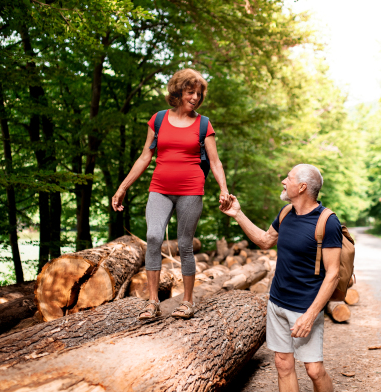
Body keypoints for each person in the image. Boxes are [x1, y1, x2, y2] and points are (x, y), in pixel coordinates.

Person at [112, 68, 230, 320]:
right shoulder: (158, 119)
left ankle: (187, 302)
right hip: (160, 189)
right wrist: (123, 187)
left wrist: (223, 189)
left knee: (185, 244)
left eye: (199, 93)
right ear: (178, 92)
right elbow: (146, 156)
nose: (195, 97)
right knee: (154, 238)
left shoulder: (204, 124)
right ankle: (152, 301)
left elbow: (215, 161)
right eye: (190, 92)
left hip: (190, 190)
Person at [220, 164, 342, 392]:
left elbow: (333, 274)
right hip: (277, 303)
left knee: (314, 370)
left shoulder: (327, 222)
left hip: (305, 307)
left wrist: (311, 315)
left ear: (302, 187)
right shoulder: (286, 213)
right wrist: (237, 213)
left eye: (288, 178)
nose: (284, 182)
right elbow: (265, 240)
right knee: (283, 364)